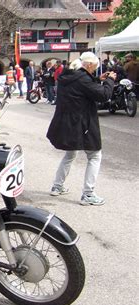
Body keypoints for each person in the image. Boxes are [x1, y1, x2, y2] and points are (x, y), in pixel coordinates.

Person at [46, 51, 116, 206]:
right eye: (94, 68)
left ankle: (57, 186)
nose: (93, 71)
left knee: (69, 155)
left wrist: (98, 79)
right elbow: (104, 95)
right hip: (82, 123)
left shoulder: (68, 76)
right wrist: (110, 81)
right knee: (95, 155)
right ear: (89, 65)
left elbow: (82, 87)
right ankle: (88, 194)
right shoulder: (83, 79)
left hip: (68, 123)